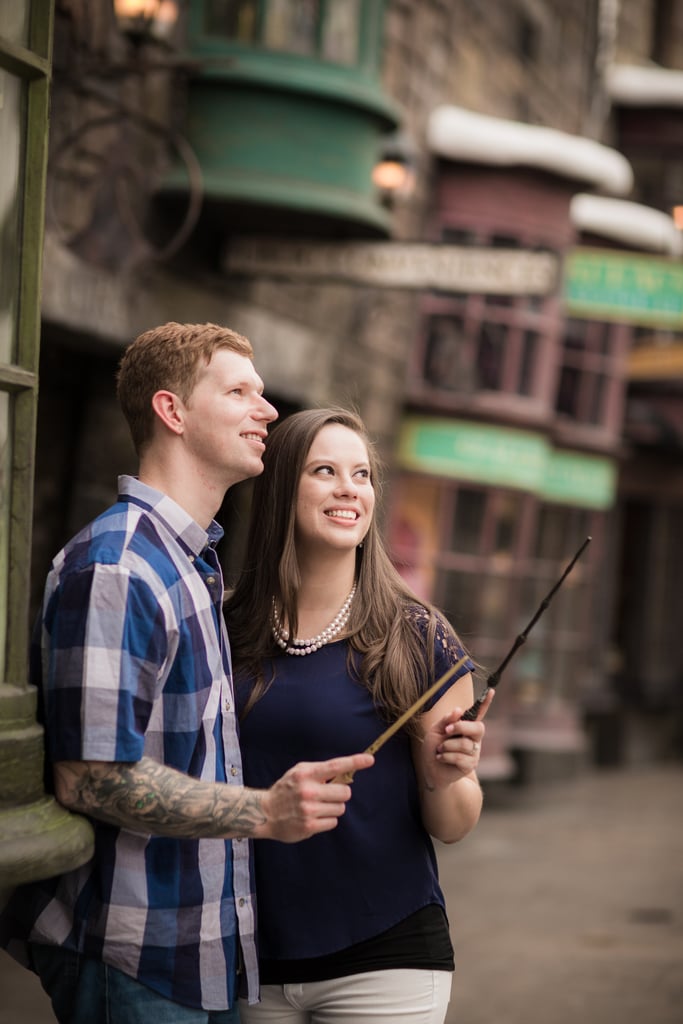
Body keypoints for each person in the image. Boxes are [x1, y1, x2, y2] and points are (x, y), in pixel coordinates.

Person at [0, 325, 373, 1024]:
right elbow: (91, 777)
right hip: (131, 955)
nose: (266, 412)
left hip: (200, 957)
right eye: (239, 393)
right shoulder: (120, 566)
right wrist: (265, 812)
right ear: (172, 413)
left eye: (262, 395)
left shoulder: (193, 563)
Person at [224, 407, 494, 1024]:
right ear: (281, 488)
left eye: (363, 474)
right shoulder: (222, 625)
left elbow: (452, 825)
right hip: (246, 958)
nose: (350, 488)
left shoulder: (418, 635)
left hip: (386, 956)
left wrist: (446, 775)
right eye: (325, 471)